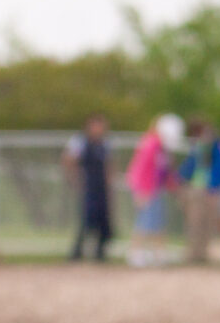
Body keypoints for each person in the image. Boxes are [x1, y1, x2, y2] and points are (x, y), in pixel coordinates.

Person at [124, 114, 183, 267]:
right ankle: (135, 253)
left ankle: (159, 254)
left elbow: (165, 172)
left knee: (158, 222)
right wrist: (141, 191)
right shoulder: (150, 144)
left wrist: (173, 186)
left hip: (156, 190)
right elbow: (140, 168)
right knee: (144, 222)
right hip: (146, 190)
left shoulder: (162, 149)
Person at [174, 119, 220, 264]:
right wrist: (178, 182)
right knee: (195, 223)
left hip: (211, 192)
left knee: (208, 224)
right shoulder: (197, 149)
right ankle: (193, 253)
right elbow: (187, 169)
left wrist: (215, 188)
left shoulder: (218, 150)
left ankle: (203, 254)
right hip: (196, 190)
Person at [62, 114, 114, 261]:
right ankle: (77, 252)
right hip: (88, 186)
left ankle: (100, 253)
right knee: (86, 220)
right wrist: (74, 178)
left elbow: (109, 165)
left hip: (101, 187)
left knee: (103, 220)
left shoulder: (104, 144)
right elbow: (68, 159)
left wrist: (109, 185)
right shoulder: (80, 142)